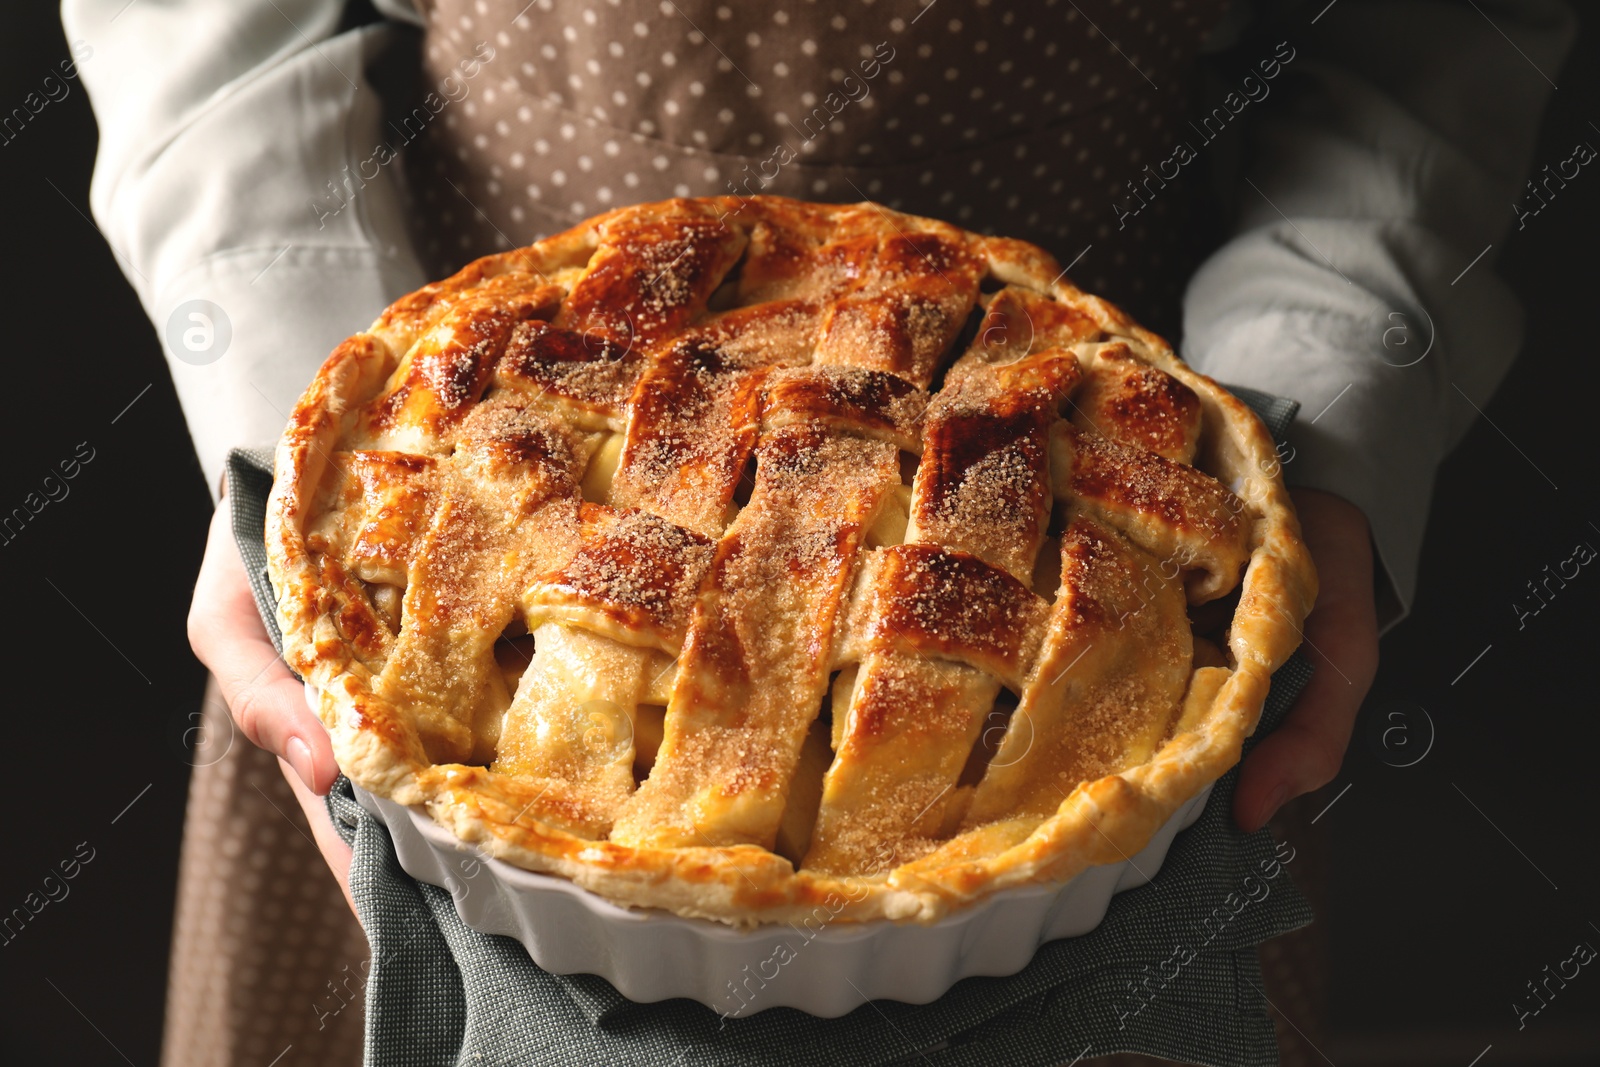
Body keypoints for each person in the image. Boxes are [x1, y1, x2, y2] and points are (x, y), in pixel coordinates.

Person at [62, 0, 1575, 1063]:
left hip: (1093, 386)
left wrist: (1324, 389)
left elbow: (1438, 40)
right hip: (491, 396)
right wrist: (277, 397)